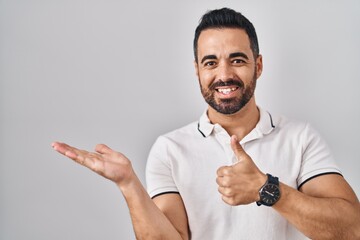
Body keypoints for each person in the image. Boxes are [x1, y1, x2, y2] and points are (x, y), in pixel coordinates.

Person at [52, 7, 360, 240]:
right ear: (198, 70)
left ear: (259, 65)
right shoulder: (169, 149)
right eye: (210, 62)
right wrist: (129, 185)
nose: (224, 74)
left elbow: (352, 228)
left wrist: (267, 190)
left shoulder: (300, 138)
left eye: (237, 60)